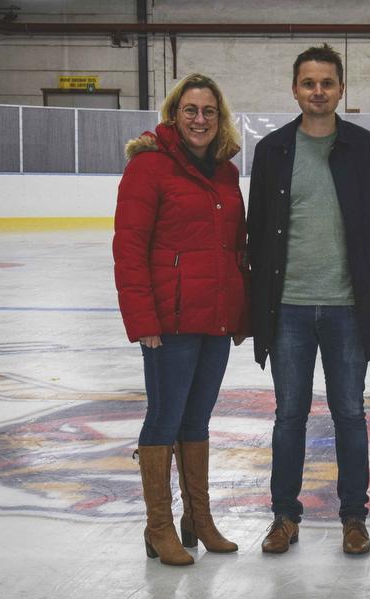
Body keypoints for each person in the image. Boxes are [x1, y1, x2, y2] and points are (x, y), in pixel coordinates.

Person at [246, 44, 370, 555]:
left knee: (350, 413)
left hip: (348, 307)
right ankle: (284, 516)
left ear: (341, 89)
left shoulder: (366, 147)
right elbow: (257, 232)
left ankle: (354, 517)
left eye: (327, 83)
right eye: (309, 83)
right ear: (295, 90)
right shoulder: (273, 150)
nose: (318, 91)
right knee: (289, 416)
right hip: (289, 309)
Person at [113, 73, 250, 566]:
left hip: (213, 317)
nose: (200, 120)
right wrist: (142, 318)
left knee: (197, 419)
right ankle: (159, 527)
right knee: (164, 417)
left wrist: (239, 309)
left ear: (220, 118)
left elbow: (234, 248)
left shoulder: (225, 172)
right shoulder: (148, 168)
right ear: (175, 115)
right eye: (190, 110)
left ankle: (199, 519)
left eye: (209, 111)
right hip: (168, 322)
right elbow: (129, 249)